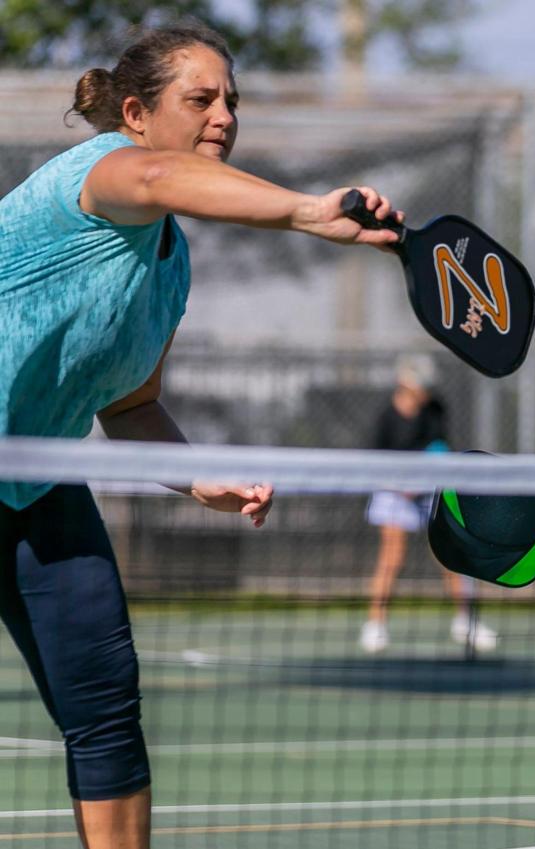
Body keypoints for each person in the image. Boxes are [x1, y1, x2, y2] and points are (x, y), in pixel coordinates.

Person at [0, 22, 403, 849]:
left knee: (107, 711)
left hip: (33, 485)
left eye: (232, 101)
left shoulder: (170, 266)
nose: (223, 114)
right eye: (201, 98)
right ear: (137, 113)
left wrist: (197, 477)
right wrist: (306, 211)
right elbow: (157, 176)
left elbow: (132, 405)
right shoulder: (98, 174)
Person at [359, 355, 498, 653]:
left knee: (452, 556)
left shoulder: (435, 409)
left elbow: (439, 448)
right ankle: (376, 625)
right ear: (405, 383)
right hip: (391, 494)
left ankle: (466, 623)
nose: (425, 391)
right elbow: (374, 463)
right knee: (392, 558)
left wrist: (428, 479)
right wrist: (400, 485)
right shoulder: (386, 417)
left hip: (427, 492)